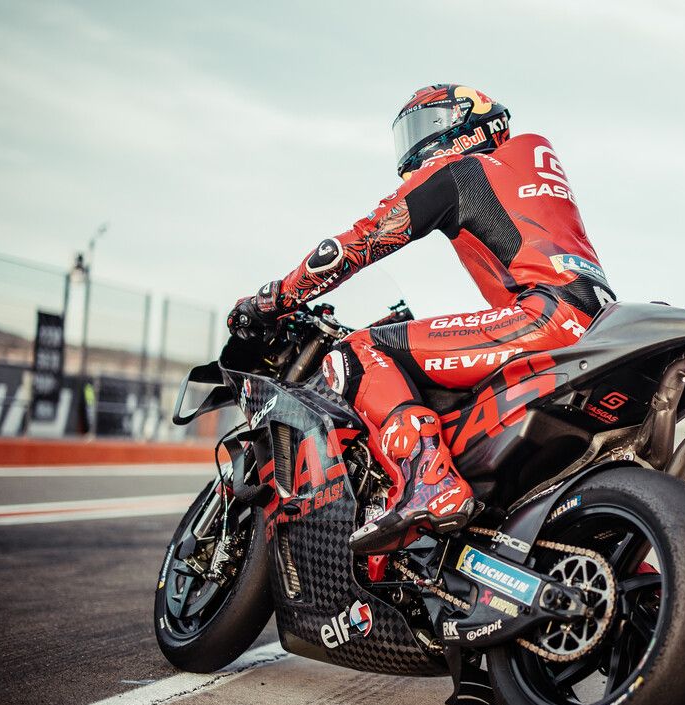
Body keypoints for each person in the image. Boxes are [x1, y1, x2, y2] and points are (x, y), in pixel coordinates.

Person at [227, 84, 614, 554]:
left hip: (543, 317)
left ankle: (428, 480)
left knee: (359, 351)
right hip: (593, 325)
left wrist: (273, 299)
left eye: (428, 126)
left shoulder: (463, 170)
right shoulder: (527, 170)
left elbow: (356, 244)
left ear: (469, 123)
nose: (417, 144)